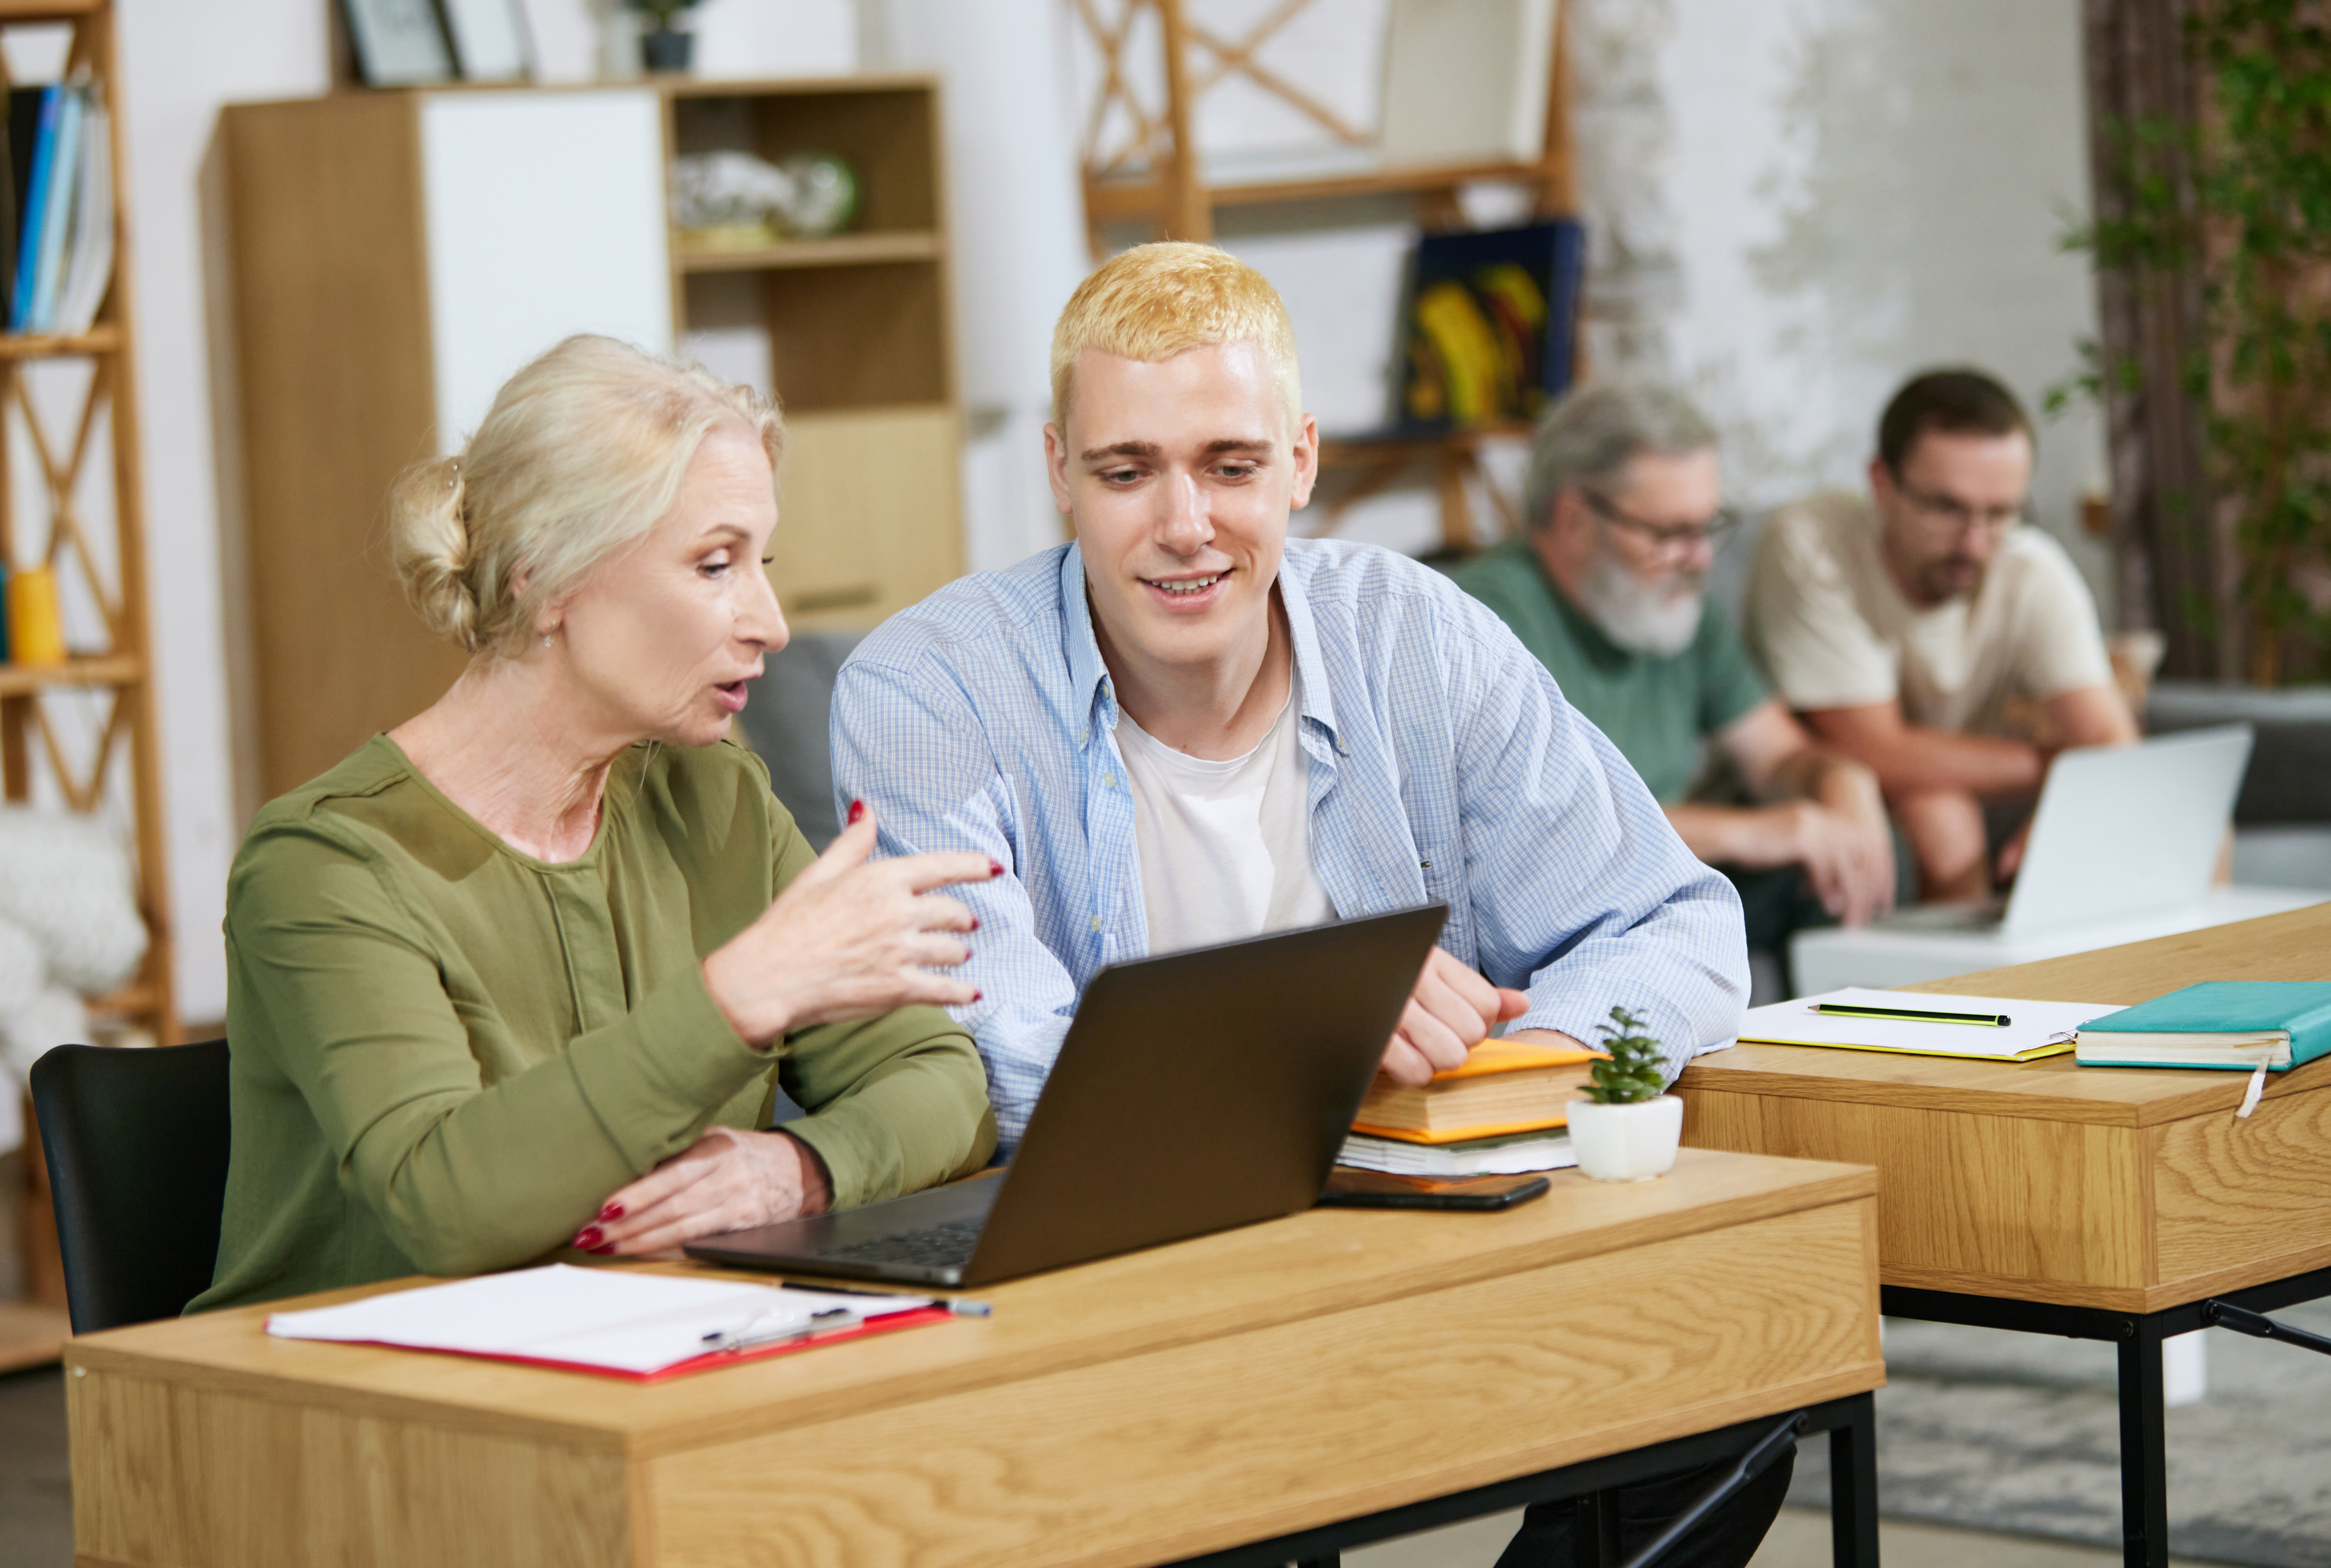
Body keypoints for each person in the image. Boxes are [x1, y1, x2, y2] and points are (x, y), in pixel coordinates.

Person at [831, 246, 1778, 1568]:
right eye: (1124, 472)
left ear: (1301, 462)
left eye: (1228, 466)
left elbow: (1678, 925)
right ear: (1057, 470)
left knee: (1734, 1363)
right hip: (1109, 1277)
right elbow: (999, 1066)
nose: (1184, 525)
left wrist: (1489, 1074)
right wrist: (1325, 1035)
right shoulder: (927, 691)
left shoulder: (1414, 632)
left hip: (1399, 1224)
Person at [192, 336, 996, 1312]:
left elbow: (940, 1082)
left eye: (761, 562)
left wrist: (801, 1169)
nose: (771, 622)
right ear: (546, 579)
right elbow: (448, 1207)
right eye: (714, 565)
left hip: (651, 1354)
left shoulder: (715, 796)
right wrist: (739, 997)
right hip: (363, 1420)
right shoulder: (327, 866)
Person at [1450, 382, 1893, 985]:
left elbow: (1778, 755)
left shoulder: (1677, 607)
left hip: (1668, 883)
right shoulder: (1485, 620)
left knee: (1857, 860)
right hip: (1562, 908)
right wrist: (1757, 831)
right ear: (1574, 519)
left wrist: (1838, 778)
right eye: (1669, 534)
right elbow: (1547, 829)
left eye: (1707, 527)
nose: (1701, 558)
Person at [1745, 368, 2136, 901]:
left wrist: (2072, 797)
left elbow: (2110, 742)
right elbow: (1869, 747)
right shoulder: (1812, 545)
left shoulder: (2030, 566)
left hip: (1980, 788)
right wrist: (2061, 765)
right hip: (1823, 788)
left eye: (2000, 513)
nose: (1974, 543)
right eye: (1946, 509)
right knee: (1941, 815)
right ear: (1882, 484)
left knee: (2197, 827)